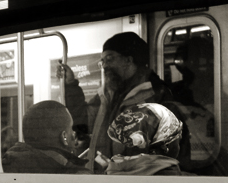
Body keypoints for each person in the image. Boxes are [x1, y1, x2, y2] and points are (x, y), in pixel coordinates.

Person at [64, 32, 183, 172]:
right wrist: (71, 84)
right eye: (102, 61)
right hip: (107, 181)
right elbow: (82, 121)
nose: (104, 66)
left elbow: (165, 152)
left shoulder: (156, 96)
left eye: (109, 59)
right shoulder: (106, 95)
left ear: (128, 60)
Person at [2, 100, 89, 174]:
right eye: (71, 129)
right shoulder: (76, 176)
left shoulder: (9, 165)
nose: (74, 135)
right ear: (64, 137)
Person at [105, 103, 185, 175]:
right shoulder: (171, 175)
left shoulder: (112, 170)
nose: (179, 143)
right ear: (166, 145)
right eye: (177, 138)